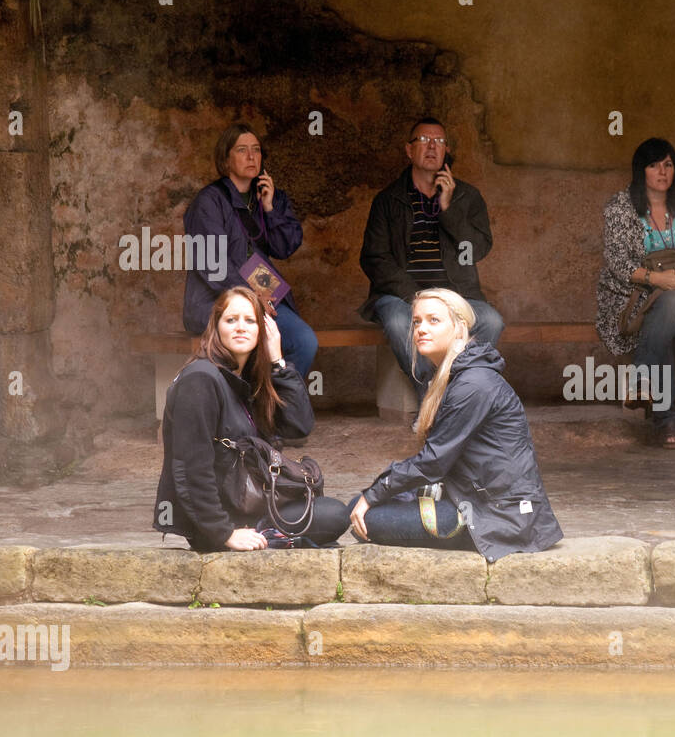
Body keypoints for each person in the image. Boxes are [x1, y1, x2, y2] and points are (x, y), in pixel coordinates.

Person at [349, 288, 562, 563]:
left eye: (433, 321)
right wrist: (377, 492)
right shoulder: (455, 376)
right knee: (363, 504)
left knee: (364, 513)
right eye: (416, 322)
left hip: (500, 517)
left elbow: (433, 463)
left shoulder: (473, 384)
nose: (421, 329)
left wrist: (375, 492)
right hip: (471, 498)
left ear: (460, 328)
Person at [154, 286, 351, 551]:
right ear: (216, 327)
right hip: (220, 521)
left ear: (263, 329)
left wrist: (278, 361)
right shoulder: (201, 378)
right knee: (333, 517)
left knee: (330, 513)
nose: (240, 327)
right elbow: (190, 466)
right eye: (231, 320)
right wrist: (223, 532)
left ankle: (281, 538)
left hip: (248, 501)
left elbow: (298, 426)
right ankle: (272, 537)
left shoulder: (246, 381)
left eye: (250, 320)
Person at [359, 117, 504, 399]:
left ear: (446, 150)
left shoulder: (467, 197)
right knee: (401, 323)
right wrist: (414, 296)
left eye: (438, 141)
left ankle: (457, 394)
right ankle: (432, 397)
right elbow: (374, 258)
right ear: (408, 150)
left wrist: (448, 209)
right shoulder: (388, 200)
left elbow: (477, 250)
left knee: (491, 320)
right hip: (402, 296)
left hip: (457, 294)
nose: (431, 147)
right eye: (423, 140)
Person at [182, 124, 318, 377]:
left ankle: (280, 408)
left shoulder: (271, 197)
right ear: (225, 160)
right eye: (242, 150)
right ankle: (254, 408)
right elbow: (212, 263)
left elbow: (285, 247)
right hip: (215, 299)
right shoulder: (209, 202)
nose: (251, 156)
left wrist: (269, 209)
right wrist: (251, 298)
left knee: (304, 341)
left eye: (256, 150)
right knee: (250, 343)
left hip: (262, 291)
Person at [596, 137, 675, 448]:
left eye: (668, 164)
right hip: (628, 295)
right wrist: (659, 279)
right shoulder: (620, 206)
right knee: (666, 315)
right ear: (640, 170)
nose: (662, 172)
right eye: (654, 165)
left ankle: (645, 384)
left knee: (668, 308)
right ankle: (666, 416)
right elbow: (617, 263)